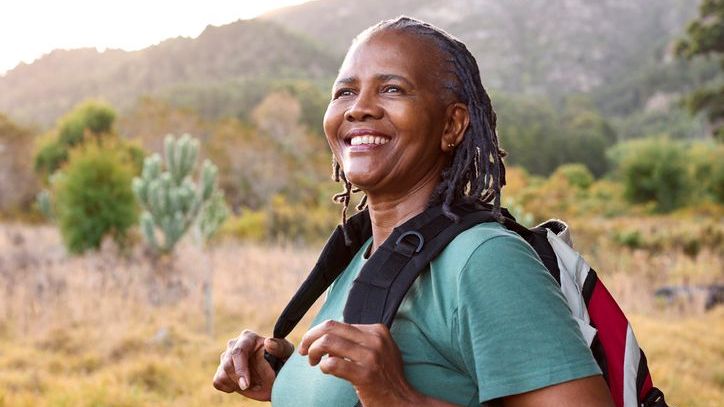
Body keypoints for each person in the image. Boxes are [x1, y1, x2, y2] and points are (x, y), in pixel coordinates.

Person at [213, 16, 614, 407]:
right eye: (344, 92)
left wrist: (399, 398)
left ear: (452, 125)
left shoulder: (484, 259)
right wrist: (287, 383)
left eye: (392, 89)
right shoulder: (367, 253)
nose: (359, 109)